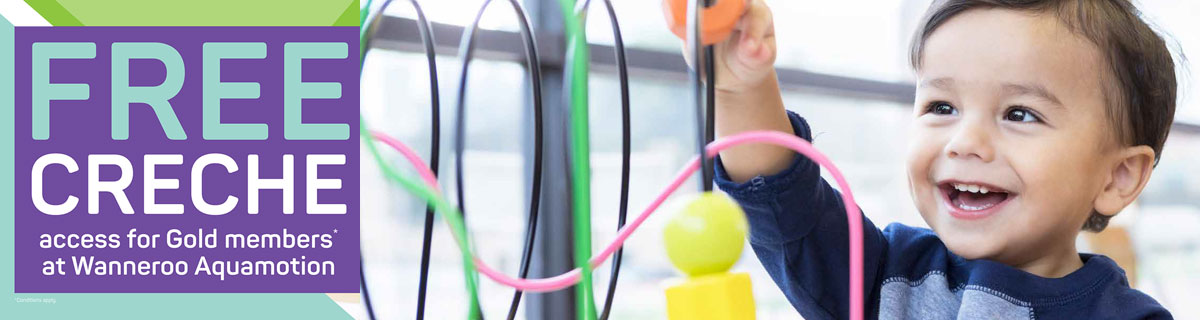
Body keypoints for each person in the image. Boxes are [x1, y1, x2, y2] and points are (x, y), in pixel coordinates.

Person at [700, 0, 1178, 318]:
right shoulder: (884, 274)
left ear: (1117, 175)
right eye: (941, 107)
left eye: (1020, 114)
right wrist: (741, 85)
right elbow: (783, 199)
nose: (964, 142)